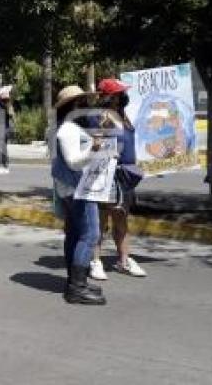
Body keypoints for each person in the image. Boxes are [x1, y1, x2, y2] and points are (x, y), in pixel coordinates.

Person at [51, 85, 106, 305]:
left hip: (73, 188)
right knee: (90, 235)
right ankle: (77, 287)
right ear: (73, 106)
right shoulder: (67, 130)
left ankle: (75, 282)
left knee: (75, 233)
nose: (87, 106)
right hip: (77, 189)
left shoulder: (70, 128)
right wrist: (93, 150)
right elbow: (74, 162)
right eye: (83, 102)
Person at [89, 78, 147, 280]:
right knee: (102, 220)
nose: (122, 96)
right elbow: (94, 144)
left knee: (121, 218)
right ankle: (95, 261)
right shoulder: (101, 116)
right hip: (108, 174)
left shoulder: (123, 115)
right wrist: (101, 140)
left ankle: (123, 261)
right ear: (108, 97)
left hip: (126, 176)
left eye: (122, 93)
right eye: (118, 93)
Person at [0, 87, 15, 175]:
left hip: (2, 129)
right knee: (4, 147)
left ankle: (0, 166)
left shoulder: (4, 107)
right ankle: (5, 166)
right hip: (6, 129)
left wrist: (1, 93)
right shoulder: (9, 107)